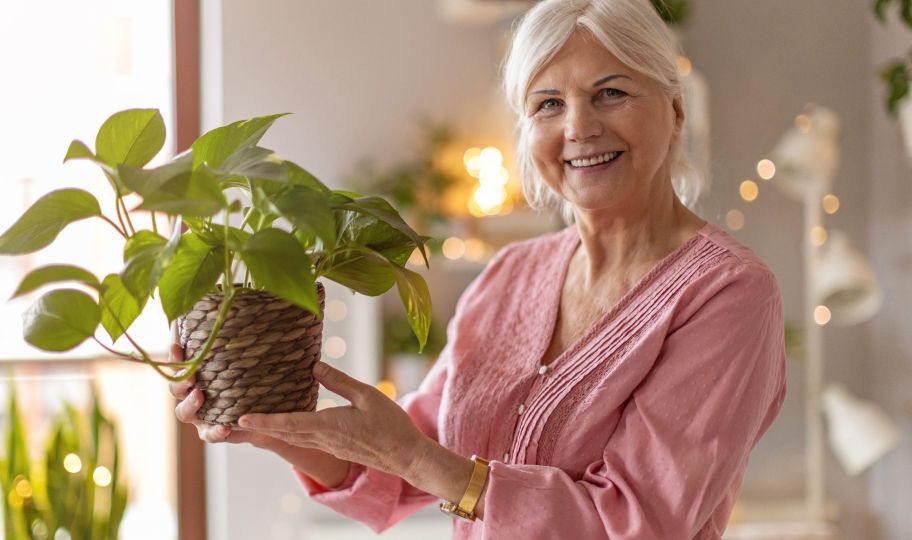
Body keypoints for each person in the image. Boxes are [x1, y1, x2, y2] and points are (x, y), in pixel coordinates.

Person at [170, 0, 787, 537]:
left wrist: (419, 461)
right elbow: (404, 462)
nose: (579, 127)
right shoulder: (510, 275)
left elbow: (639, 524)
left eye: (611, 92)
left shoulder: (728, 293)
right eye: (549, 104)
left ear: (674, 109)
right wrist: (265, 425)